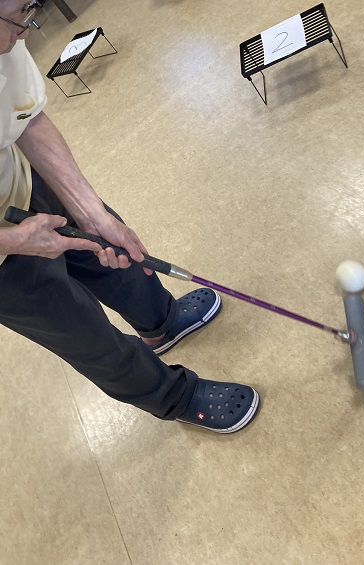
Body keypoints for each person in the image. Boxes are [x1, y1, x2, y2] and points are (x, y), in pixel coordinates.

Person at [0, 1, 260, 433]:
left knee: (115, 255)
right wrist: (12, 241)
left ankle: (162, 324)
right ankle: (175, 398)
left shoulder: (8, 34)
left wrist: (92, 213)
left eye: (30, 9)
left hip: (20, 181)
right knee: (84, 332)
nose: (26, 31)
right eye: (17, 18)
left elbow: (25, 116)